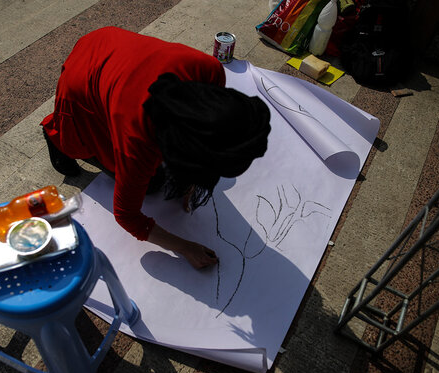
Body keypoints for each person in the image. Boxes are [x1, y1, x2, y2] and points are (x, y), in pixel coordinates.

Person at [41, 27, 271, 269]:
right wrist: (185, 247)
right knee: (151, 184)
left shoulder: (210, 71)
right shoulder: (140, 138)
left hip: (113, 47)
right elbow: (127, 215)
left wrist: (194, 179)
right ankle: (55, 135)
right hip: (83, 80)